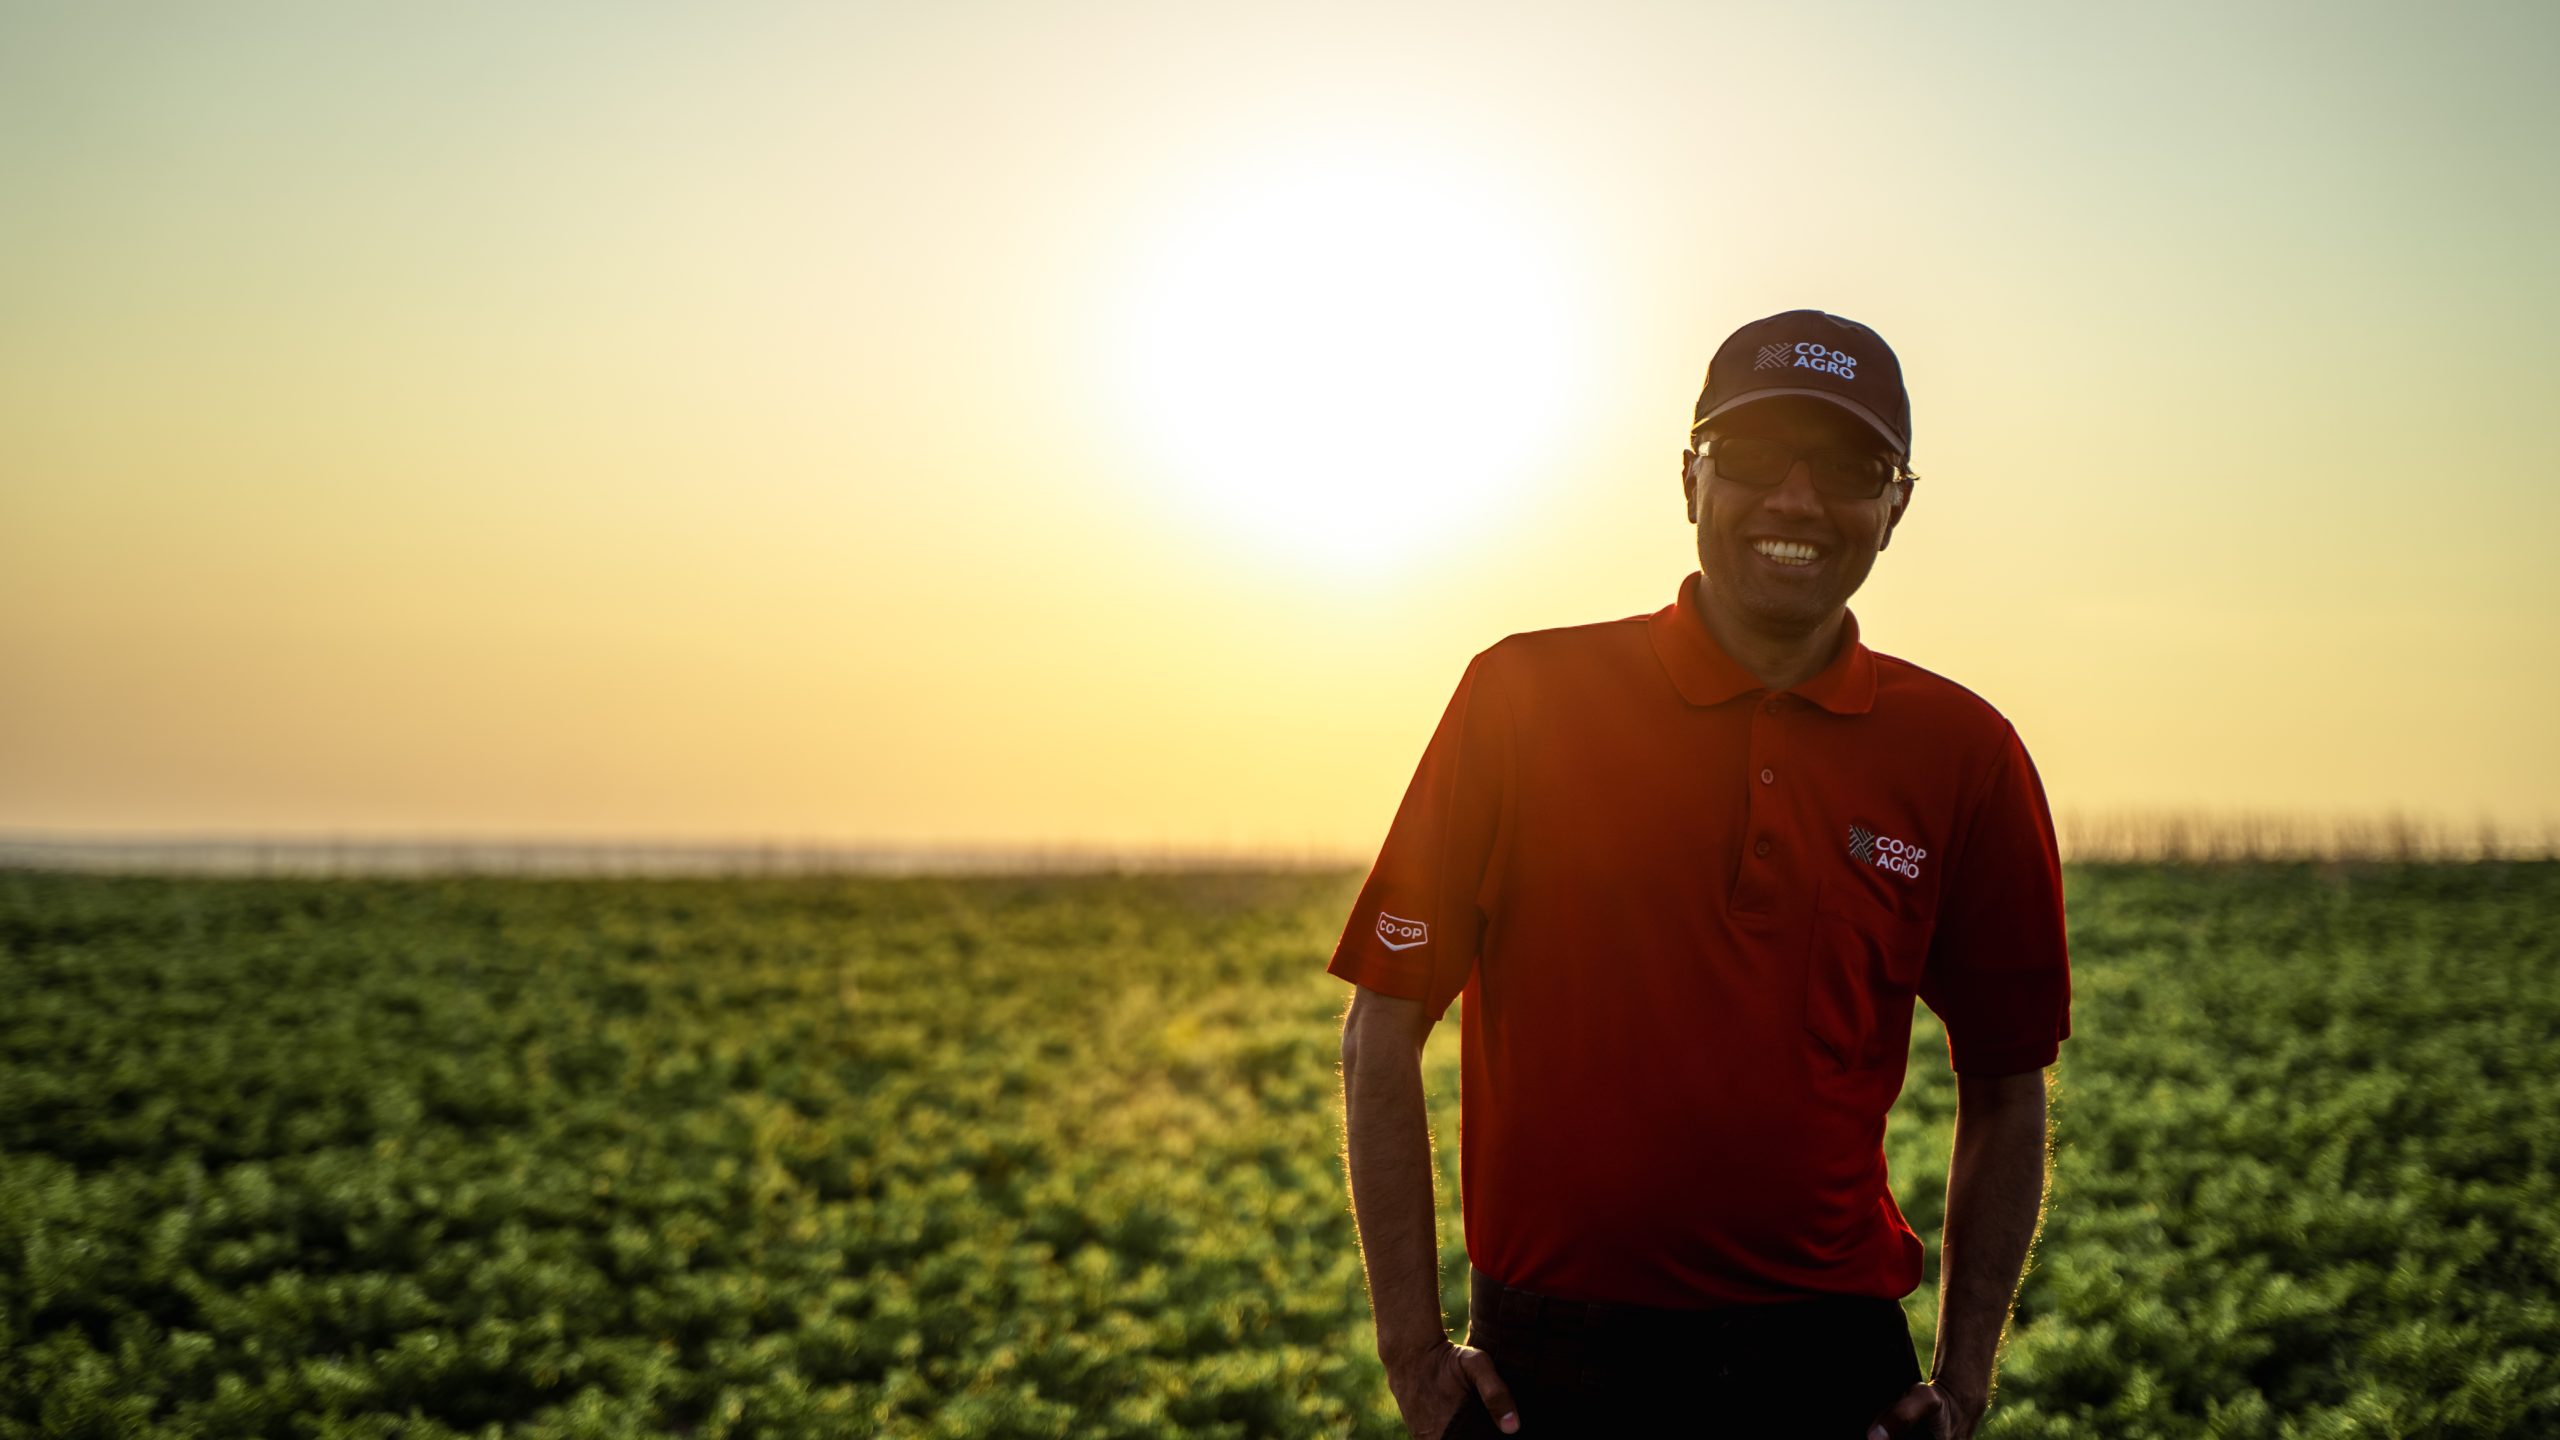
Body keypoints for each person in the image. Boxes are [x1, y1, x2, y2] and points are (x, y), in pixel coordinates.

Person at [1331, 310, 2071, 1439]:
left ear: (1896, 504)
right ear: (1688, 479)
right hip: (1550, 1370)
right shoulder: (1524, 700)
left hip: (1830, 1368)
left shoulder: (1963, 754)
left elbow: (2010, 1084)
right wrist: (1411, 1351)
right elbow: (1384, 1023)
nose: (1795, 500)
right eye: (1753, 457)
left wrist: (1963, 1382)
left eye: (1846, 467)